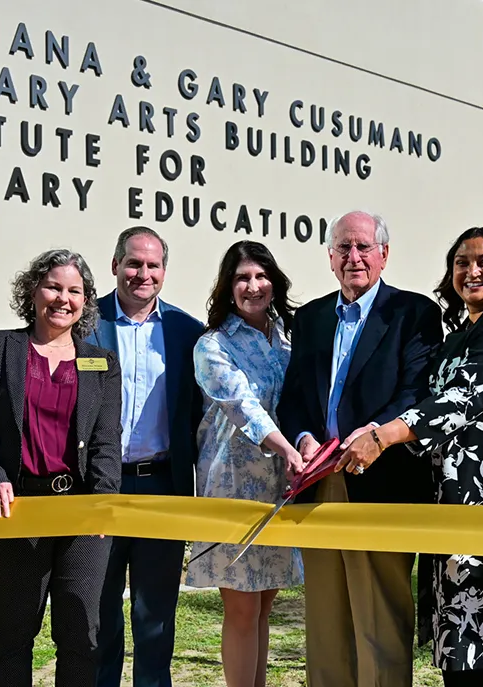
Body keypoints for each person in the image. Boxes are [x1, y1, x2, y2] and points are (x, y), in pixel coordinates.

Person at [336, 226, 483, 687]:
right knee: (463, 665)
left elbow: (459, 400)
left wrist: (381, 436)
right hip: (459, 529)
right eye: (461, 262)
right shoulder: (462, 333)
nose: (472, 271)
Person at [275, 210, 443, 687]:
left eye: (364, 247)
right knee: (326, 620)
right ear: (330, 258)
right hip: (319, 482)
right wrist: (306, 438)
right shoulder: (308, 318)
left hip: (382, 481)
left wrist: (373, 432)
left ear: (384, 255)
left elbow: (417, 392)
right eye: (343, 248)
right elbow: (294, 397)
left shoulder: (414, 314)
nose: (354, 257)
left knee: (380, 621)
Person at [0, 249, 123, 687]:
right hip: (16, 510)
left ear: (85, 301)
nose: (63, 298)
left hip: (82, 513)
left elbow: (106, 439)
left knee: (81, 633)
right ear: (33, 290)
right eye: (53, 286)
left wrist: (103, 500)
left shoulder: (101, 363)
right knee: (14, 631)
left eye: (74, 291)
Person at [85, 226, 205, 687]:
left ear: (164, 271)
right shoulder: (84, 325)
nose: (143, 273)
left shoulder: (187, 332)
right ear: (115, 265)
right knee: (98, 611)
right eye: (133, 263)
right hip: (99, 487)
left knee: (155, 616)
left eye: (152, 265)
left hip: (161, 486)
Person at [186, 240, 305, 687]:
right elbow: (243, 406)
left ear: (274, 281)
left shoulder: (289, 338)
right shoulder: (212, 345)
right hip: (232, 485)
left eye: (260, 276)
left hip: (283, 484)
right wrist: (289, 449)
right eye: (241, 278)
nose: (252, 286)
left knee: (265, 604)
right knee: (241, 608)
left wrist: (301, 454)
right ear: (227, 287)